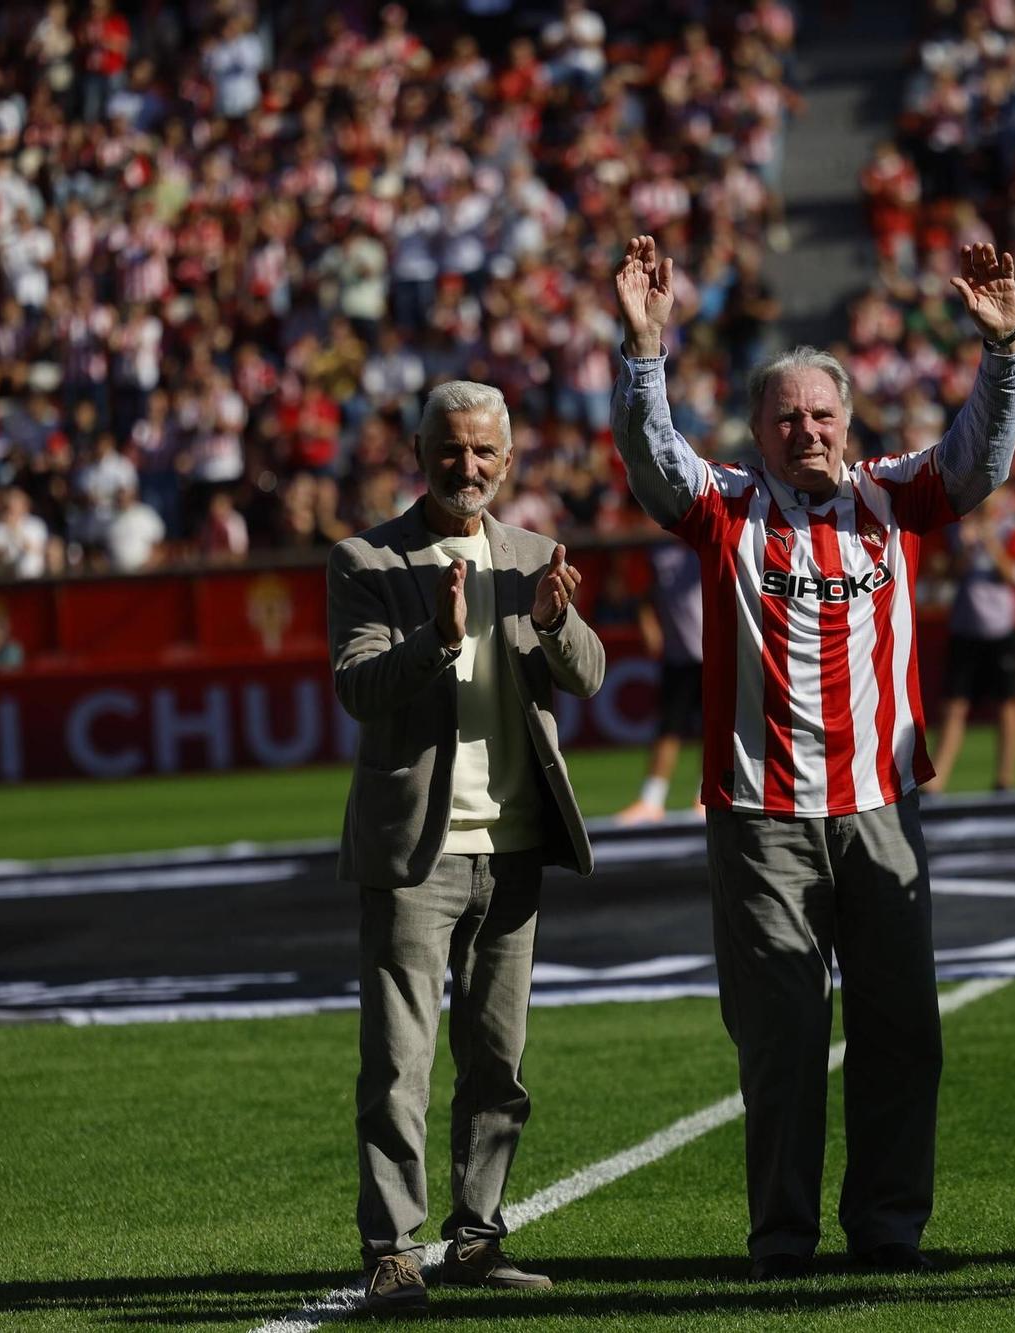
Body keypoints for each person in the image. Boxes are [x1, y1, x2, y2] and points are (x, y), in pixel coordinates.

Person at [610, 234, 1015, 1280]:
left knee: (900, 1033)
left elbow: (978, 457)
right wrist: (644, 350)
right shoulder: (725, 508)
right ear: (755, 432)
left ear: (850, 424)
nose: (806, 429)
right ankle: (782, 1240)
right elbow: (653, 462)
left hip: (882, 804)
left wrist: (1004, 350)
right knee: (783, 1044)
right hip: (759, 817)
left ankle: (888, 1231)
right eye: (786, 415)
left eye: (822, 414)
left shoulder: (895, 493)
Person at [328, 380, 606, 1313]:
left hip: (517, 846)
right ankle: (393, 1249)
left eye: (486, 451)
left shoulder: (533, 555)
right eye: (452, 450)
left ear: (510, 457)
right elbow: (359, 688)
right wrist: (437, 644)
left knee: (498, 1063)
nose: (469, 466)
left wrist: (560, 620)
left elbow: (592, 674)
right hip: (417, 850)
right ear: (419, 451)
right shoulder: (365, 558)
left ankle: (478, 1237)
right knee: (399, 1063)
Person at [926, 487, 1015, 794]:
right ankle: (937, 780)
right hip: (966, 624)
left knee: (1006, 703)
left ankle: (1005, 778)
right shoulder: (960, 527)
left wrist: (990, 542)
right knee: (954, 703)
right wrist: (967, 548)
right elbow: (952, 574)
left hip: (1002, 625)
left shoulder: (1011, 526)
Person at [616, 538, 706, 824]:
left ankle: (706, 797)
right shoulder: (657, 548)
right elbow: (644, 590)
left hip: (717, 651)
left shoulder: (705, 540)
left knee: (717, 730)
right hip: (678, 653)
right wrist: (647, 620)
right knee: (668, 728)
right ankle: (652, 800)